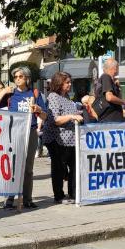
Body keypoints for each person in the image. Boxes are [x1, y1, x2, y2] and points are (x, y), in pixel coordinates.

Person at [2, 66, 45, 209]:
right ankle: (9, 199)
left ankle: (27, 199)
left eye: (20, 76)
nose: (17, 79)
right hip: (14, 132)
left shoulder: (35, 94)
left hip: (30, 131)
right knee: (13, 167)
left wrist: (39, 110)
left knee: (28, 168)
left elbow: (45, 116)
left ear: (27, 78)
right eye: (15, 77)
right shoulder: (10, 94)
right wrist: (2, 92)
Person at [42, 71, 85, 204]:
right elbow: (55, 119)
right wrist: (72, 116)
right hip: (57, 139)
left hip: (71, 138)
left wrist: (79, 113)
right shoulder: (53, 97)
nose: (69, 85)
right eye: (67, 82)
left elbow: (71, 112)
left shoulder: (67, 97)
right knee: (58, 168)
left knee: (74, 166)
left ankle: (73, 193)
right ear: (59, 83)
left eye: (70, 82)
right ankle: (59, 196)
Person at [92, 58, 125, 122]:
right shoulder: (106, 77)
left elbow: (118, 98)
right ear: (114, 68)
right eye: (118, 68)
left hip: (110, 119)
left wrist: (118, 88)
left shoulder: (105, 79)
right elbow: (109, 97)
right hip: (111, 120)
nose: (118, 70)